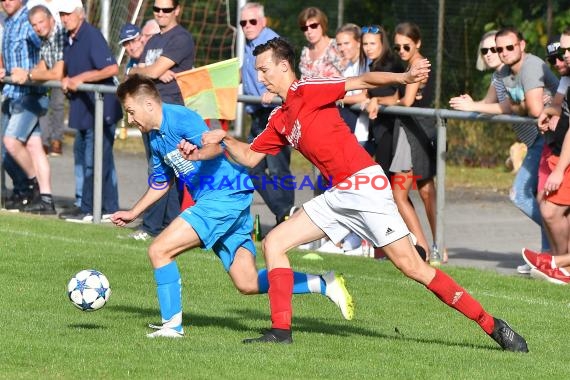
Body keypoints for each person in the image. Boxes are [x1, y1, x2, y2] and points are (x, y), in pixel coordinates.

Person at [191, 37, 528, 351]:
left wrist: (405, 76)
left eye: (263, 69)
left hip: (364, 186)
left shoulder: (307, 88)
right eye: (257, 71)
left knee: (413, 268)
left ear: (283, 66)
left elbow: (362, 82)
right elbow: (250, 156)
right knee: (274, 243)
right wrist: (221, 139)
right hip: (338, 194)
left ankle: (493, 325)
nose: (260, 76)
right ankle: (281, 332)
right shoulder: (280, 117)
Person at [112, 74, 354, 338]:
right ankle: (324, 283)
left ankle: (172, 326)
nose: (130, 119)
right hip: (226, 199)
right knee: (247, 282)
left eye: (131, 111)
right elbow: (161, 182)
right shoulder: (155, 139)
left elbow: (215, 148)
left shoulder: (180, 118)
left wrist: (197, 153)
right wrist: (134, 213)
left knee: (159, 250)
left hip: (222, 197)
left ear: (149, 105)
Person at [126, 0, 195, 241]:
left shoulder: (181, 38)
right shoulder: (154, 40)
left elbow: (151, 72)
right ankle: (167, 227)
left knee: (168, 170)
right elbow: (140, 72)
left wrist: (149, 70)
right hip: (149, 111)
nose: (161, 14)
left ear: (177, 10)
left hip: (171, 112)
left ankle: (153, 227)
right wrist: (146, 69)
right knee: (160, 168)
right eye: (157, 9)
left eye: (166, 9)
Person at [57, 0, 122, 222]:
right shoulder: (70, 39)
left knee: (94, 160)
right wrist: (67, 80)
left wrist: (80, 79)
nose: (64, 18)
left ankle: (87, 208)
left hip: (102, 110)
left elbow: (112, 67)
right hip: (84, 110)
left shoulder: (91, 35)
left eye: (67, 14)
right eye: (61, 14)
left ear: (80, 14)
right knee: (98, 159)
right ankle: (109, 208)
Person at [240, 2, 294, 226]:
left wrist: (276, 91)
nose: (247, 26)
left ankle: (287, 218)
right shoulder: (248, 43)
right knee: (253, 167)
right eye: (243, 22)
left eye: (252, 21)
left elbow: (288, 69)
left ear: (263, 22)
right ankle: (286, 213)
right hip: (258, 114)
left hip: (275, 111)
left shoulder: (271, 43)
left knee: (278, 168)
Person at [0, 0, 54, 214]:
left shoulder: (28, 20)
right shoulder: (10, 22)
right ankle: (46, 200)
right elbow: (11, 58)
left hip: (30, 94)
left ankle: (34, 188)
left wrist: (31, 73)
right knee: (34, 148)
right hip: (13, 94)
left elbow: (47, 50)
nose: (6, 2)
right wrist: (5, 71)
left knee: (10, 142)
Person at [390, 22, 437, 261]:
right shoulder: (411, 64)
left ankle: (426, 246)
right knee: (425, 190)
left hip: (415, 131)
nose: (401, 51)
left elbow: (407, 102)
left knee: (401, 193)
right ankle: (434, 245)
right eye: (397, 47)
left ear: (417, 43)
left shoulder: (418, 64)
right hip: (415, 130)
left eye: (406, 46)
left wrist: (385, 104)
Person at [361, 24, 405, 173]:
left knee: (387, 181)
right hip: (378, 129)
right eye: (365, 44)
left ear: (382, 44)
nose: (368, 48)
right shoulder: (373, 65)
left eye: (372, 43)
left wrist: (376, 100)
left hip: (391, 129)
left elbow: (396, 97)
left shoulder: (391, 66)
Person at [26, 0, 64, 156]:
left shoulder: (60, 34)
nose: (38, 27)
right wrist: (32, 74)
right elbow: (43, 64)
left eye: (41, 22)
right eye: (34, 25)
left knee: (57, 103)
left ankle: (56, 141)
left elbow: (58, 73)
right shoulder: (43, 39)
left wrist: (30, 75)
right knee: (41, 99)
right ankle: (44, 141)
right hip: (52, 74)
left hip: (67, 77)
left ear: (51, 19)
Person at [298, 7, 343, 79]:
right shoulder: (305, 53)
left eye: (313, 26)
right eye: (304, 28)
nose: (309, 31)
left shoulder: (337, 46)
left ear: (323, 24)